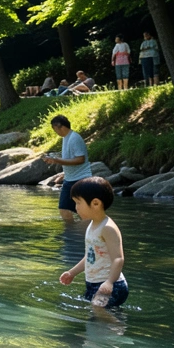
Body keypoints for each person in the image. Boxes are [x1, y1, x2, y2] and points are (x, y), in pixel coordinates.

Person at [58, 177, 128, 308]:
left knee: (97, 311)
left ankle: (118, 326)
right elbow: (90, 256)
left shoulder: (108, 227)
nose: (76, 208)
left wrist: (109, 282)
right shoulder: (91, 225)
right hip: (94, 283)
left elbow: (118, 259)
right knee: (95, 318)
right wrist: (72, 272)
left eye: (78, 203)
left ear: (95, 203)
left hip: (111, 285)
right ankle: (114, 324)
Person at [44, 114, 91, 221]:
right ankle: (71, 233)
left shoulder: (74, 138)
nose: (54, 131)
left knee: (83, 211)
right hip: (69, 179)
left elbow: (81, 159)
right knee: (64, 209)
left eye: (54, 128)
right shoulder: (66, 138)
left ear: (61, 126)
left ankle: (87, 232)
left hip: (81, 179)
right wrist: (54, 159)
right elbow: (69, 157)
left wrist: (57, 160)